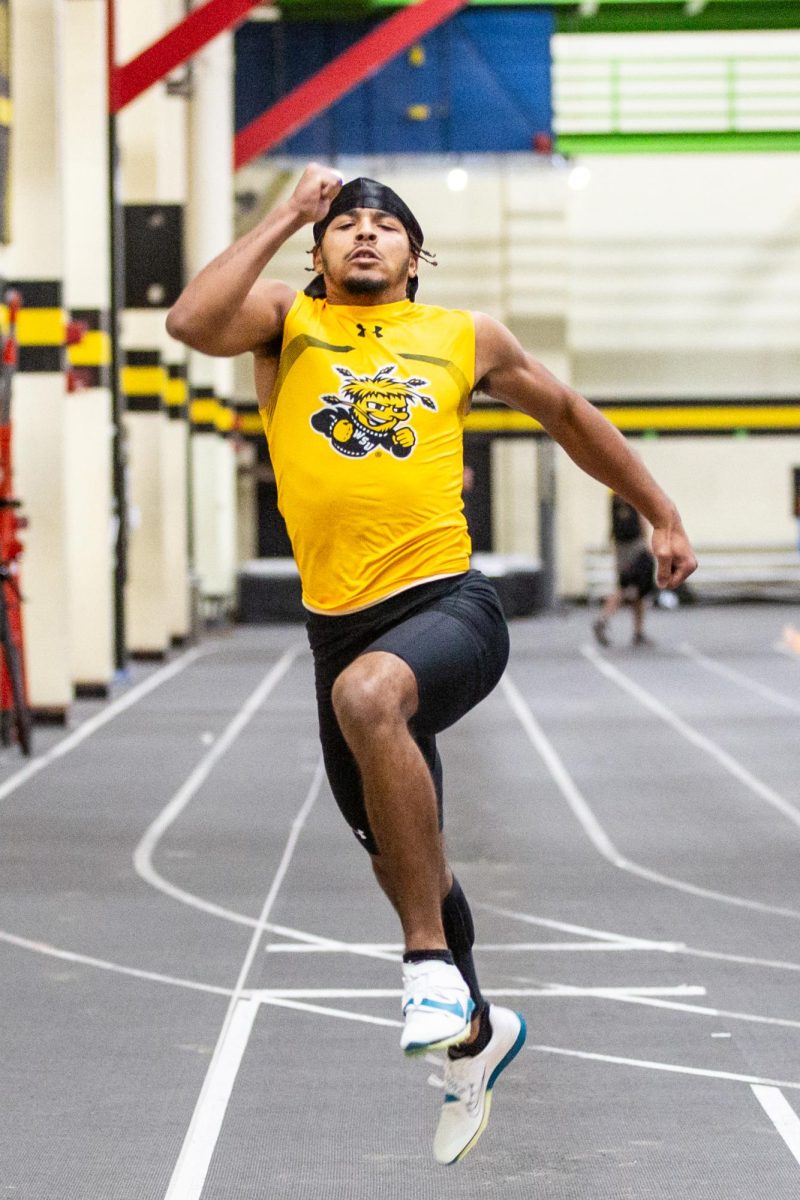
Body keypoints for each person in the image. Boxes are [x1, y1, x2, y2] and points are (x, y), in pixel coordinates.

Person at [166, 163, 697, 1165]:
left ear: (415, 257)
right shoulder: (284, 321)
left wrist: (659, 512)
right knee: (403, 853)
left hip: (444, 603)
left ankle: (422, 965)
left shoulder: (463, 337)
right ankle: (474, 1033)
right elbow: (191, 323)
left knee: (373, 695)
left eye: (385, 227)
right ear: (319, 251)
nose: (363, 235)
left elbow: (572, 418)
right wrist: (283, 210)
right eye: (346, 226)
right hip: (335, 624)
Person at [593, 493, 657, 648]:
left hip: (620, 548)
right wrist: (647, 543)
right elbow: (642, 518)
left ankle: (638, 632)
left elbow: (613, 526)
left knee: (635, 592)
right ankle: (604, 618)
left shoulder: (613, 498)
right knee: (630, 589)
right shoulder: (630, 490)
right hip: (635, 546)